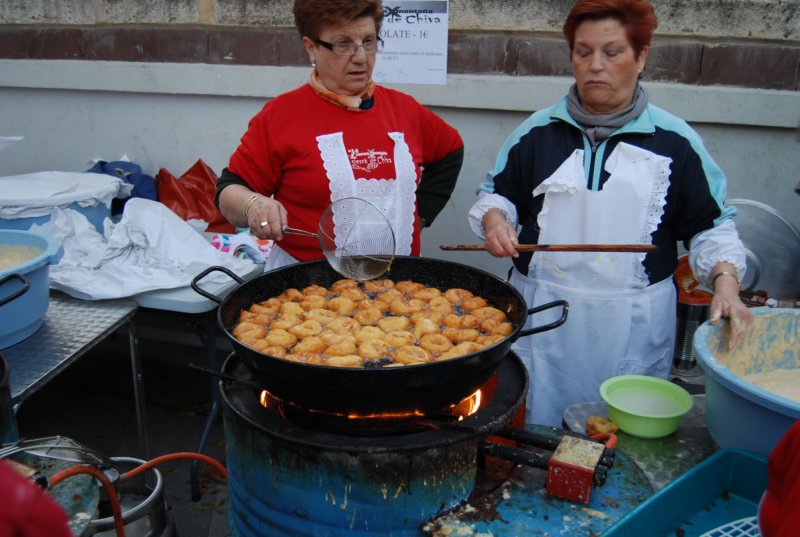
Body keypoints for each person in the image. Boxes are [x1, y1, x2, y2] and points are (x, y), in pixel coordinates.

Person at [467, 0, 753, 426]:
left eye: (612, 52)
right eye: (583, 52)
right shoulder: (536, 132)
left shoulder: (674, 141)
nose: (595, 66)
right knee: (534, 432)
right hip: (546, 315)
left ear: (641, 57)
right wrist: (495, 221)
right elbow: (497, 194)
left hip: (631, 324)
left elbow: (710, 228)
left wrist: (726, 284)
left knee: (618, 445)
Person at [216, 0, 464, 270]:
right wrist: (253, 205)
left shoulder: (404, 110)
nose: (360, 57)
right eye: (343, 44)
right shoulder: (281, 115)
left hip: (398, 288)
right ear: (311, 47)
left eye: (368, 41)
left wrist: (421, 216)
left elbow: (450, 150)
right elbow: (229, 191)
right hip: (305, 289)